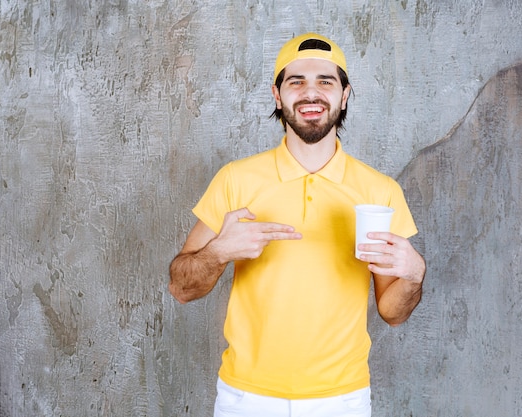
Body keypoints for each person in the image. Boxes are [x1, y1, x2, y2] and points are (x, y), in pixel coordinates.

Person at [169, 32, 426, 417]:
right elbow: (180, 287)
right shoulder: (235, 181)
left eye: (325, 81)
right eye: (296, 81)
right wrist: (220, 250)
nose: (311, 93)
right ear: (277, 95)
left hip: (341, 399)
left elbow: (393, 313)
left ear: (344, 95)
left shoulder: (380, 191)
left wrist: (414, 275)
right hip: (246, 397)